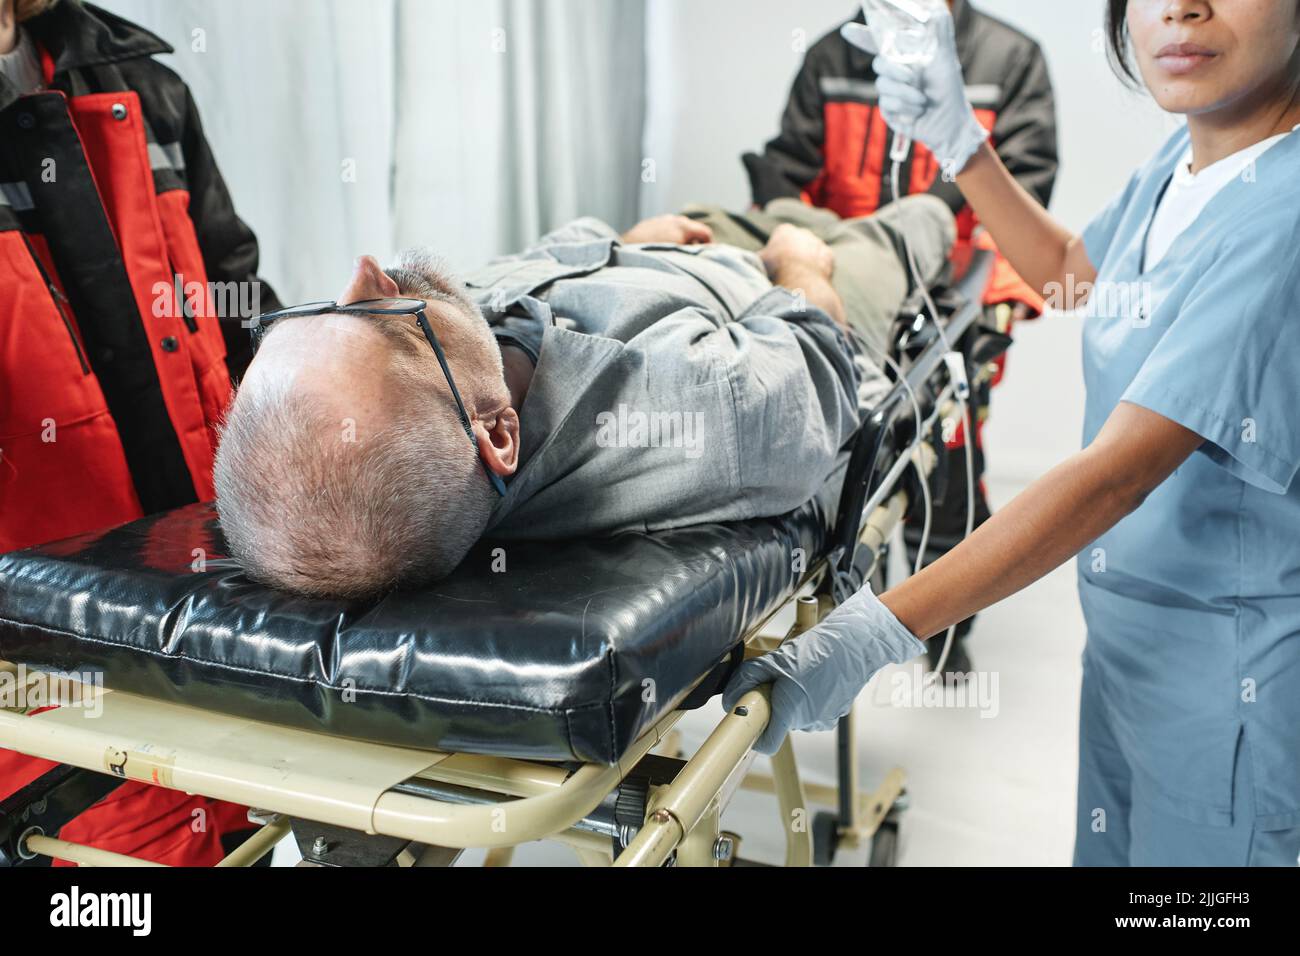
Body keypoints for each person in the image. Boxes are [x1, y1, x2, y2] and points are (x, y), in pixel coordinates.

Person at [725, 0, 1300, 867]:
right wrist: (960, 146)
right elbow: (1074, 279)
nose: (1182, 6)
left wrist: (878, 629)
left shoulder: (1283, 214)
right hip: (1129, 656)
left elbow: (1116, 474)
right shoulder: (1186, 168)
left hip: (1230, 686)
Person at [213, 197, 956, 599]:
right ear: (497, 435)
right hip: (785, 280)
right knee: (917, 216)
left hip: (677, 243)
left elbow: (508, 284)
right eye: (385, 321)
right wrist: (799, 258)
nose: (364, 272)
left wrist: (625, 241)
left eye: (319, 308)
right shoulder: (708, 413)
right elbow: (820, 347)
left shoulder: (451, 377)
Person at [0, 0, 278, 865]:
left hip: (225, 625)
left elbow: (239, 312)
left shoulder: (144, 85)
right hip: (46, 690)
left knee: (245, 837)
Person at [746, 0, 1060, 672]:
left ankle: (944, 633)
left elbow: (1026, 195)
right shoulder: (832, 57)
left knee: (948, 457)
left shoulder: (1010, 59)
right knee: (835, 448)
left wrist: (983, 293)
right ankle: (843, 611)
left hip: (954, 290)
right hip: (850, 284)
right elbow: (789, 170)